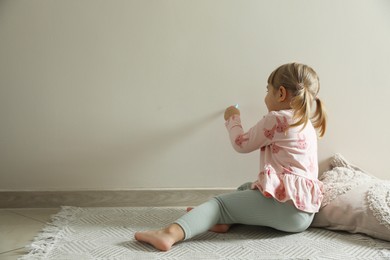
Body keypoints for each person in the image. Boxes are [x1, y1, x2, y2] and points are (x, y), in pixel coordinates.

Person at [134, 62, 327, 251]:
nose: (266, 96)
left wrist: (232, 118)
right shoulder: (307, 125)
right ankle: (222, 222)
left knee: (219, 205)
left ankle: (169, 233)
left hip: (285, 209)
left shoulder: (277, 119)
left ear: (281, 93)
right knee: (245, 188)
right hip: (304, 215)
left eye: (267, 90)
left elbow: (241, 144)